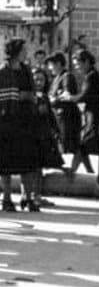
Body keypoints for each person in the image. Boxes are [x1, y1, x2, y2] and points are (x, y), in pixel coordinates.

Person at [0, 38, 40, 212]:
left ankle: (27, 196)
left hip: (26, 120)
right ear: (16, 51)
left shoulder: (25, 70)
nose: (27, 52)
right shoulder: (3, 70)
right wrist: (19, 96)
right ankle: (7, 198)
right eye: (24, 50)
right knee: (5, 162)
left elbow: (32, 91)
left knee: (27, 160)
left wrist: (30, 98)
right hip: (7, 120)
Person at [61, 50, 99, 174]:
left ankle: (73, 171)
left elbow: (84, 96)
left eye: (78, 64)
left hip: (95, 116)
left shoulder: (92, 76)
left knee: (85, 144)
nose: (76, 68)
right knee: (84, 145)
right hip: (92, 115)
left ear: (86, 62)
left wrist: (69, 97)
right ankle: (89, 171)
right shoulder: (93, 75)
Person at [32, 67, 64, 207]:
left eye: (42, 79)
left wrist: (56, 130)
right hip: (34, 136)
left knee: (40, 168)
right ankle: (33, 195)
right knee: (34, 168)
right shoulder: (31, 97)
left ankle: (37, 195)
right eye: (36, 79)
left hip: (44, 136)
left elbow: (50, 116)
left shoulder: (43, 96)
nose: (39, 82)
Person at [46, 52, 81, 165]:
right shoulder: (57, 78)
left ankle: (69, 173)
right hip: (58, 116)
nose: (50, 68)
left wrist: (54, 99)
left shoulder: (67, 76)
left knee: (67, 144)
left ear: (59, 64)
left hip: (66, 117)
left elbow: (67, 94)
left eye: (51, 65)